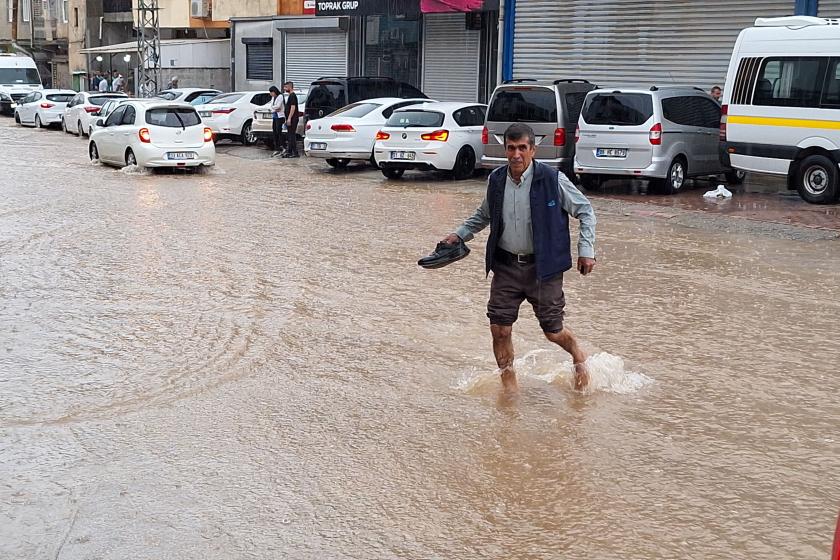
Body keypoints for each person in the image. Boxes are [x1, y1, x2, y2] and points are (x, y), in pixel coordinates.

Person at [440, 123, 597, 393]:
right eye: (511, 148)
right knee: (499, 329)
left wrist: (586, 251)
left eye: (522, 148)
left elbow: (585, 211)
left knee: (553, 331)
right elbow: (483, 215)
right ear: (505, 150)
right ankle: (509, 388)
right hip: (506, 266)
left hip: (543, 268)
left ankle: (578, 356)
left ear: (533, 150)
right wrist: (459, 235)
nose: (516, 154)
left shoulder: (553, 180)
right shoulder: (497, 180)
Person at [282, 81, 299, 158]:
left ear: (290, 87)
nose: (284, 88)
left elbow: (293, 108)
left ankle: (295, 153)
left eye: (285, 87)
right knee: (290, 135)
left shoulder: (292, 96)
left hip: (293, 119)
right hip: (290, 118)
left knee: (292, 136)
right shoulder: (290, 96)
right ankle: (290, 152)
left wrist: (289, 118)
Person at [268, 85, 286, 157]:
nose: (271, 94)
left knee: (279, 132)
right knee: (274, 132)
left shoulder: (280, 96)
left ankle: (283, 146)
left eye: (271, 92)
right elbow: (271, 106)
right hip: (275, 116)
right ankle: (277, 148)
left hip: (280, 117)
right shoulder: (273, 98)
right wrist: (274, 108)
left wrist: (274, 108)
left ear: (274, 91)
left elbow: (278, 106)